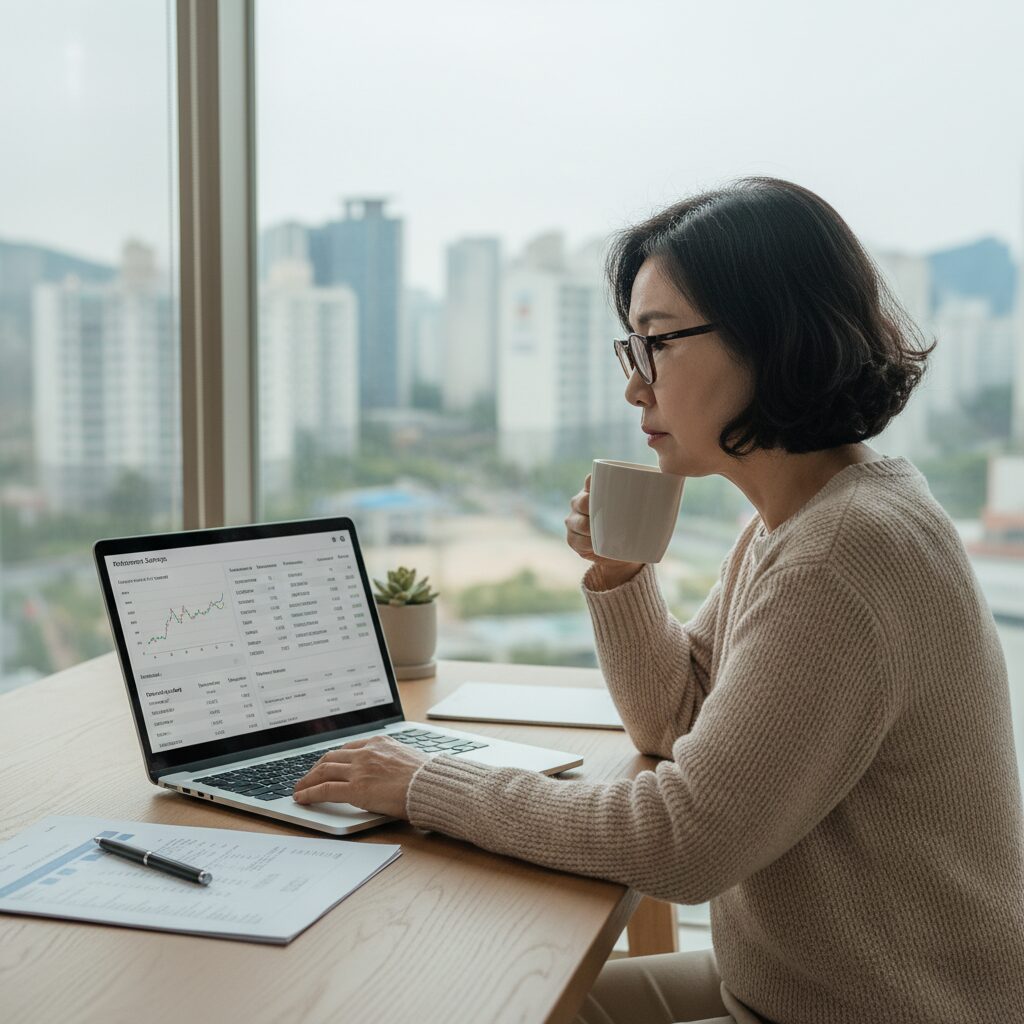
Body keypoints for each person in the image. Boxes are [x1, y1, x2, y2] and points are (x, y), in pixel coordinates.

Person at [292, 178, 1024, 1023]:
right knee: (496, 1002)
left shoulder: (842, 554)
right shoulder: (806, 519)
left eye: (658, 342)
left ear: (772, 336)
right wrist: (620, 574)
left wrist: (425, 785)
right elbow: (675, 719)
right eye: (631, 348)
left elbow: (680, 842)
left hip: (884, 1009)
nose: (635, 387)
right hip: (796, 988)